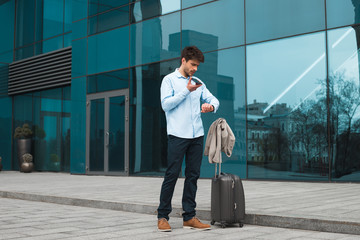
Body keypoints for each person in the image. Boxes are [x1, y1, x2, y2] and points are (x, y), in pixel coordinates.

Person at [157, 46, 220, 232]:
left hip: (197, 136)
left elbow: (214, 100)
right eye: (193, 64)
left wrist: (211, 107)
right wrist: (186, 91)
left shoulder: (199, 82)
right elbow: (166, 105)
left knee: (193, 176)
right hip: (177, 135)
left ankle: (189, 217)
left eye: (197, 66)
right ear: (183, 60)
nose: (195, 69)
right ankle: (162, 216)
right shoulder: (169, 80)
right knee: (172, 175)